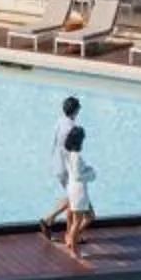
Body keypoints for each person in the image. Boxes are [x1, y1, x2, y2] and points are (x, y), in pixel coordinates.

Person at [40, 98, 82, 239]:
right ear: (76, 110)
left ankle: (69, 233)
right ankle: (49, 220)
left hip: (57, 163)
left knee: (71, 197)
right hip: (66, 167)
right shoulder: (71, 128)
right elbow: (70, 150)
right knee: (74, 198)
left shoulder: (60, 121)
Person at [56, 125, 93, 255]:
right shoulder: (76, 156)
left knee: (90, 216)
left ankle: (72, 239)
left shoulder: (68, 154)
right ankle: (74, 249)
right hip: (79, 191)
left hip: (73, 189)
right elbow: (78, 175)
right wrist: (91, 174)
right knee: (77, 222)